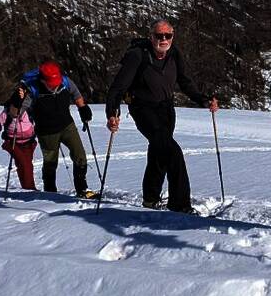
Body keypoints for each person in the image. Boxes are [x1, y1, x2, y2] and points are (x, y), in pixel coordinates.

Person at [105, 18, 217, 213]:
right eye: (159, 35)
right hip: (143, 110)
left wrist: (203, 100)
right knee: (173, 153)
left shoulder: (174, 54)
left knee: (159, 153)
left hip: (166, 110)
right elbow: (118, 88)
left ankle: (150, 199)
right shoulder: (137, 56)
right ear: (151, 37)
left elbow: (185, 82)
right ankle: (180, 206)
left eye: (168, 35)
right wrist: (112, 113)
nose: (163, 39)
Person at [20, 59, 97, 199]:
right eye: (51, 85)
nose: (54, 87)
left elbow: (75, 93)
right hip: (46, 131)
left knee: (80, 155)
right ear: (43, 81)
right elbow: (19, 111)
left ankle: (82, 189)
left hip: (67, 125)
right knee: (50, 162)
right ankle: (50, 191)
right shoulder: (32, 89)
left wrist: (83, 108)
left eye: (56, 84)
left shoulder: (65, 81)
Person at [0, 82, 38, 191]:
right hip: (12, 143)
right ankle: (30, 188)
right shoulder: (7, 111)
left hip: (29, 143)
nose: (15, 112)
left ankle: (26, 189)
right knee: (24, 164)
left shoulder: (29, 110)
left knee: (25, 165)